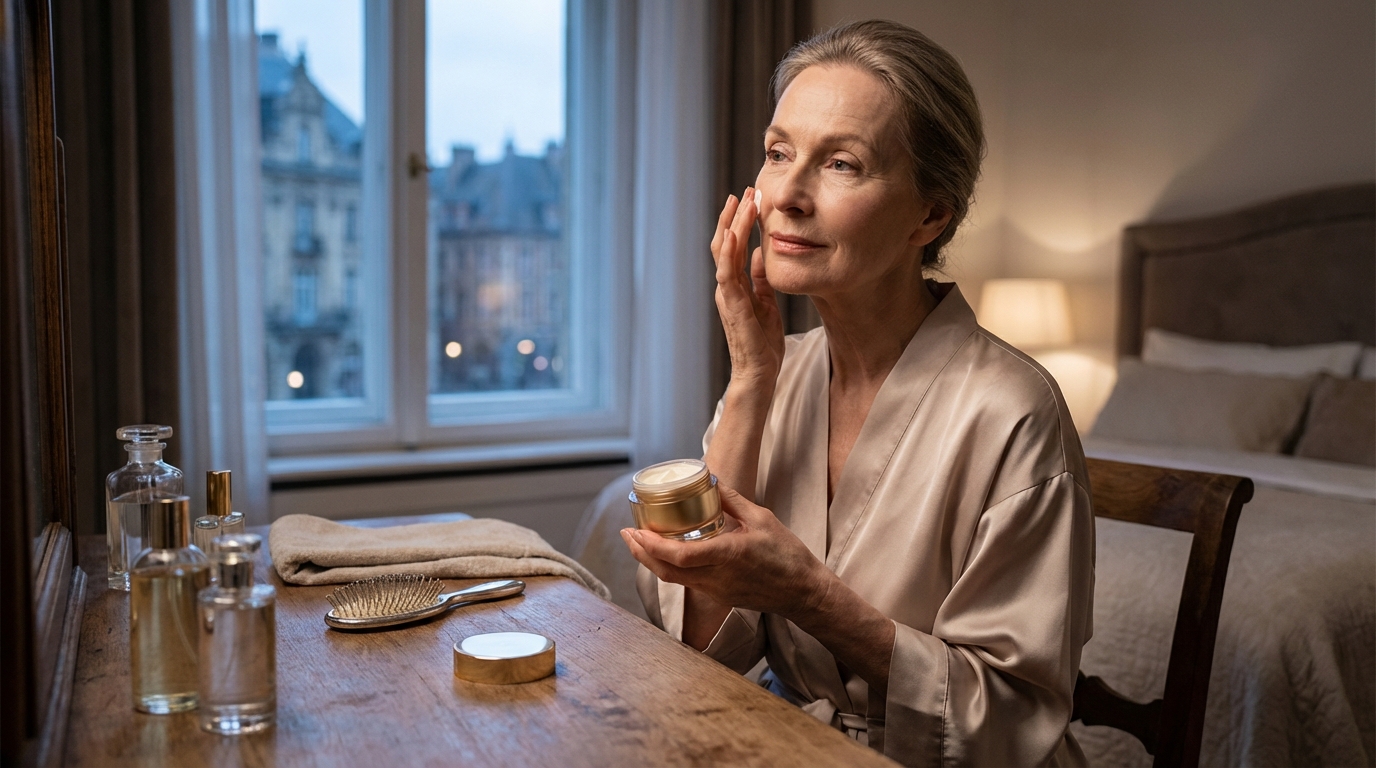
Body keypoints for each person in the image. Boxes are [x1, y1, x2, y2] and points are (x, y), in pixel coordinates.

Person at [620, 18, 1095, 768]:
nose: (786, 196)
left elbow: (1010, 725)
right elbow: (696, 642)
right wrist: (748, 378)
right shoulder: (782, 370)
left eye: (842, 164)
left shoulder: (1012, 411)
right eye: (779, 153)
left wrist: (811, 594)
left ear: (931, 214)